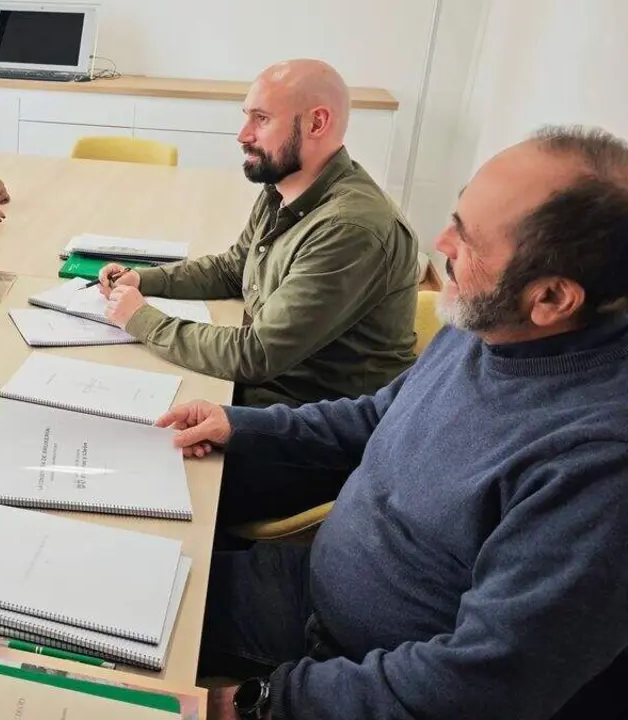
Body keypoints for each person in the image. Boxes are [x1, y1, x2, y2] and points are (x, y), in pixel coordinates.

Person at [165, 126, 628, 720]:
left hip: (376, 669)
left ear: (552, 298)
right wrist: (239, 425)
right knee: (107, 596)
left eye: (468, 240)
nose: (439, 244)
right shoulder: (486, 325)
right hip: (312, 587)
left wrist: (263, 702)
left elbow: (481, 684)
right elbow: (380, 416)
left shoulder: (598, 464)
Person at [99, 59, 418, 409]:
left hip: (314, 420)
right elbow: (234, 270)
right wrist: (143, 280)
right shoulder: (285, 186)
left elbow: (255, 354)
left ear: (317, 122)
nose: (243, 134)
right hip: (276, 391)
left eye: (261, 119)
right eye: (247, 116)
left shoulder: (349, 229)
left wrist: (140, 319)